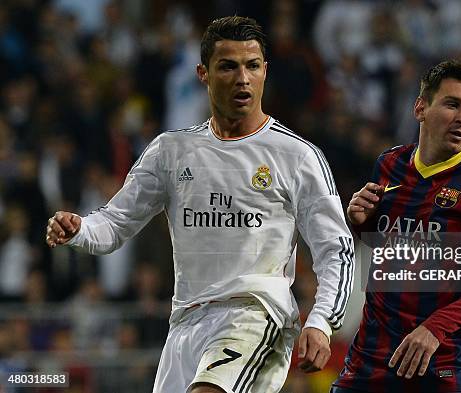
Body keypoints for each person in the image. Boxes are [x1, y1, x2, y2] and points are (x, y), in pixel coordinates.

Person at [45, 16, 355, 393]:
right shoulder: (170, 152)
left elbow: (336, 249)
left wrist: (321, 320)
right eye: (228, 66)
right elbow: (114, 223)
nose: (243, 78)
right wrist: (79, 229)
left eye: (252, 66)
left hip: (255, 314)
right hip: (185, 324)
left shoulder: (296, 156)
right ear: (203, 74)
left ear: (265, 71)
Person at [332, 60, 461, 392]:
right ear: (421, 108)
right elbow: (383, 246)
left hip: (444, 359)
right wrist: (359, 221)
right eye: (453, 104)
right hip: (373, 356)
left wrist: (435, 327)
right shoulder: (389, 164)